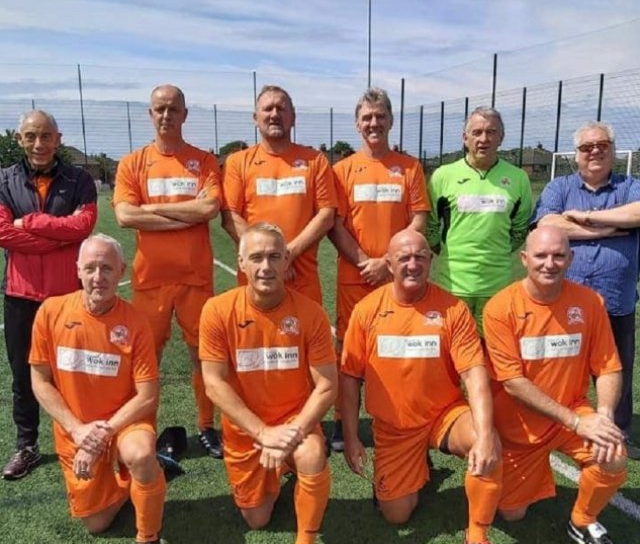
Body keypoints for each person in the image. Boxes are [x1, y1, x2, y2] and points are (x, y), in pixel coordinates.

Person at [340, 228, 508, 544]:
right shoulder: (367, 311)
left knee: (488, 443)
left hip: (443, 415)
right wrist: (352, 436)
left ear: (431, 261)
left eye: (420, 256)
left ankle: (477, 539)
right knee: (398, 516)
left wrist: (484, 431)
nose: (413, 264)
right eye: (404, 258)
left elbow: (474, 373)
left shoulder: (453, 309)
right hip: (394, 426)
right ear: (389, 264)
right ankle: (414, 469)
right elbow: (349, 377)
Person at [200, 222, 337, 544]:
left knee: (311, 454)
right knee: (256, 518)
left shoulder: (308, 313)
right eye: (256, 257)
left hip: (296, 423)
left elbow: (326, 386)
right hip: (247, 430)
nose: (266, 266)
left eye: (274, 256)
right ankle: (278, 472)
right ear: (240, 262)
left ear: (288, 260)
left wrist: (289, 435)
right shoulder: (217, 311)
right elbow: (214, 384)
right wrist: (262, 432)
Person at [483, 226, 627, 544]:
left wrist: (604, 415)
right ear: (524, 259)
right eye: (541, 256)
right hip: (519, 425)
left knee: (614, 454)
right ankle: (534, 472)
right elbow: (513, 382)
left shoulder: (591, 303)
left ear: (570, 258)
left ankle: (582, 520)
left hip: (572, 414)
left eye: (559, 255)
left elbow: (607, 366)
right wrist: (576, 421)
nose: (550, 263)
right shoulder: (500, 308)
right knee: (512, 514)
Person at [29, 234, 167, 544]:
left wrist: (101, 434)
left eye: (107, 268)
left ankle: (148, 541)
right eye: (90, 267)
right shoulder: (51, 312)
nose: (98, 276)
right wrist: (78, 431)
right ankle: (136, 480)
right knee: (96, 524)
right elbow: (40, 381)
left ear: (121, 271)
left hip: (124, 423)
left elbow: (147, 395)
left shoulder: (135, 323)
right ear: (78, 271)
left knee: (139, 452)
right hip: (77, 431)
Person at [113, 84, 224, 458]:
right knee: (146, 359)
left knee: (203, 355)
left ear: (184, 114)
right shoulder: (132, 163)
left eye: (173, 109)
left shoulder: (204, 161)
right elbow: (125, 215)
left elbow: (208, 209)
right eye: (159, 109)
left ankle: (207, 426)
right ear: (150, 114)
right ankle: (144, 428)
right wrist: (183, 215)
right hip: (151, 280)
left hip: (195, 278)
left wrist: (152, 213)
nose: (166, 115)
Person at [329, 87, 430, 451]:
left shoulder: (410, 167)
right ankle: (343, 423)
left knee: (402, 348)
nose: (374, 123)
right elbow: (335, 223)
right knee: (350, 354)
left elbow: (419, 218)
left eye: (380, 116)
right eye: (367, 117)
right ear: (358, 124)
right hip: (355, 277)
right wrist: (364, 262)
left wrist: (389, 264)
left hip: (399, 278)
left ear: (391, 120)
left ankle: (406, 418)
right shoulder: (341, 171)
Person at [534, 121, 640, 458]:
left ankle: (618, 430)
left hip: (616, 299)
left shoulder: (630, 186)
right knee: (559, 364)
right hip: (565, 299)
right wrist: (607, 229)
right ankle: (556, 425)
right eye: (586, 147)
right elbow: (548, 223)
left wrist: (584, 217)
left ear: (612, 149)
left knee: (616, 367)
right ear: (575, 154)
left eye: (602, 145)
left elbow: (638, 212)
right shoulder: (559, 187)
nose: (594, 151)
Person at [0, 110, 97, 480]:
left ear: (58, 138)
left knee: (74, 371)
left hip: (66, 297)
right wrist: (56, 239)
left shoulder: (80, 179)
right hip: (20, 295)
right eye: (30, 136)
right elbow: (3, 233)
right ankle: (27, 445)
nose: (38, 144)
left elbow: (83, 226)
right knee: (23, 375)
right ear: (20, 140)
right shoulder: (4, 179)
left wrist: (37, 224)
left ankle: (81, 437)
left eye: (45, 136)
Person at [221, 85, 337, 305]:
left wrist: (287, 255)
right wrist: (270, 258)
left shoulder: (316, 161)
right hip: (255, 280)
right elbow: (230, 218)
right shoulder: (237, 162)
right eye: (268, 109)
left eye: (281, 109)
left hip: (302, 280)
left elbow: (326, 215)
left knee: (305, 338)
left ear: (293, 118)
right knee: (255, 340)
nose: (274, 114)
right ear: (256, 118)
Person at [426, 106, 533, 334]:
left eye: (491, 132)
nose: (483, 139)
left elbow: (520, 229)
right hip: (452, 283)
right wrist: (446, 251)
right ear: (465, 138)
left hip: (497, 284)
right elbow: (431, 226)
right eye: (477, 132)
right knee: (451, 354)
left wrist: (496, 251)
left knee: (493, 355)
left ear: (501, 138)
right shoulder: (443, 176)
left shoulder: (519, 178)